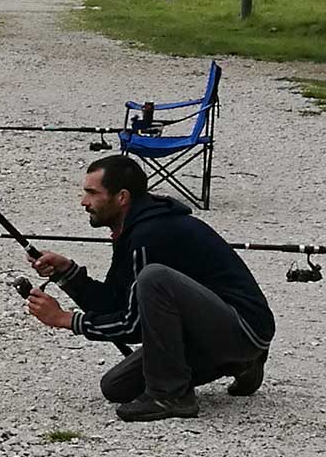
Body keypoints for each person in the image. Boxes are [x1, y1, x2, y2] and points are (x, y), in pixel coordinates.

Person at [23, 156, 274, 422]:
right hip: (208, 330)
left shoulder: (149, 234)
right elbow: (115, 303)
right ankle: (241, 363)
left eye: (92, 193)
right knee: (116, 387)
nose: (84, 202)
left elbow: (134, 326)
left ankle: (173, 396)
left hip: (245, 328)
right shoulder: (135, 228)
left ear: (122, 197)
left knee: (154, 277)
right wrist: (68, 273)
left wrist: (67, 320)